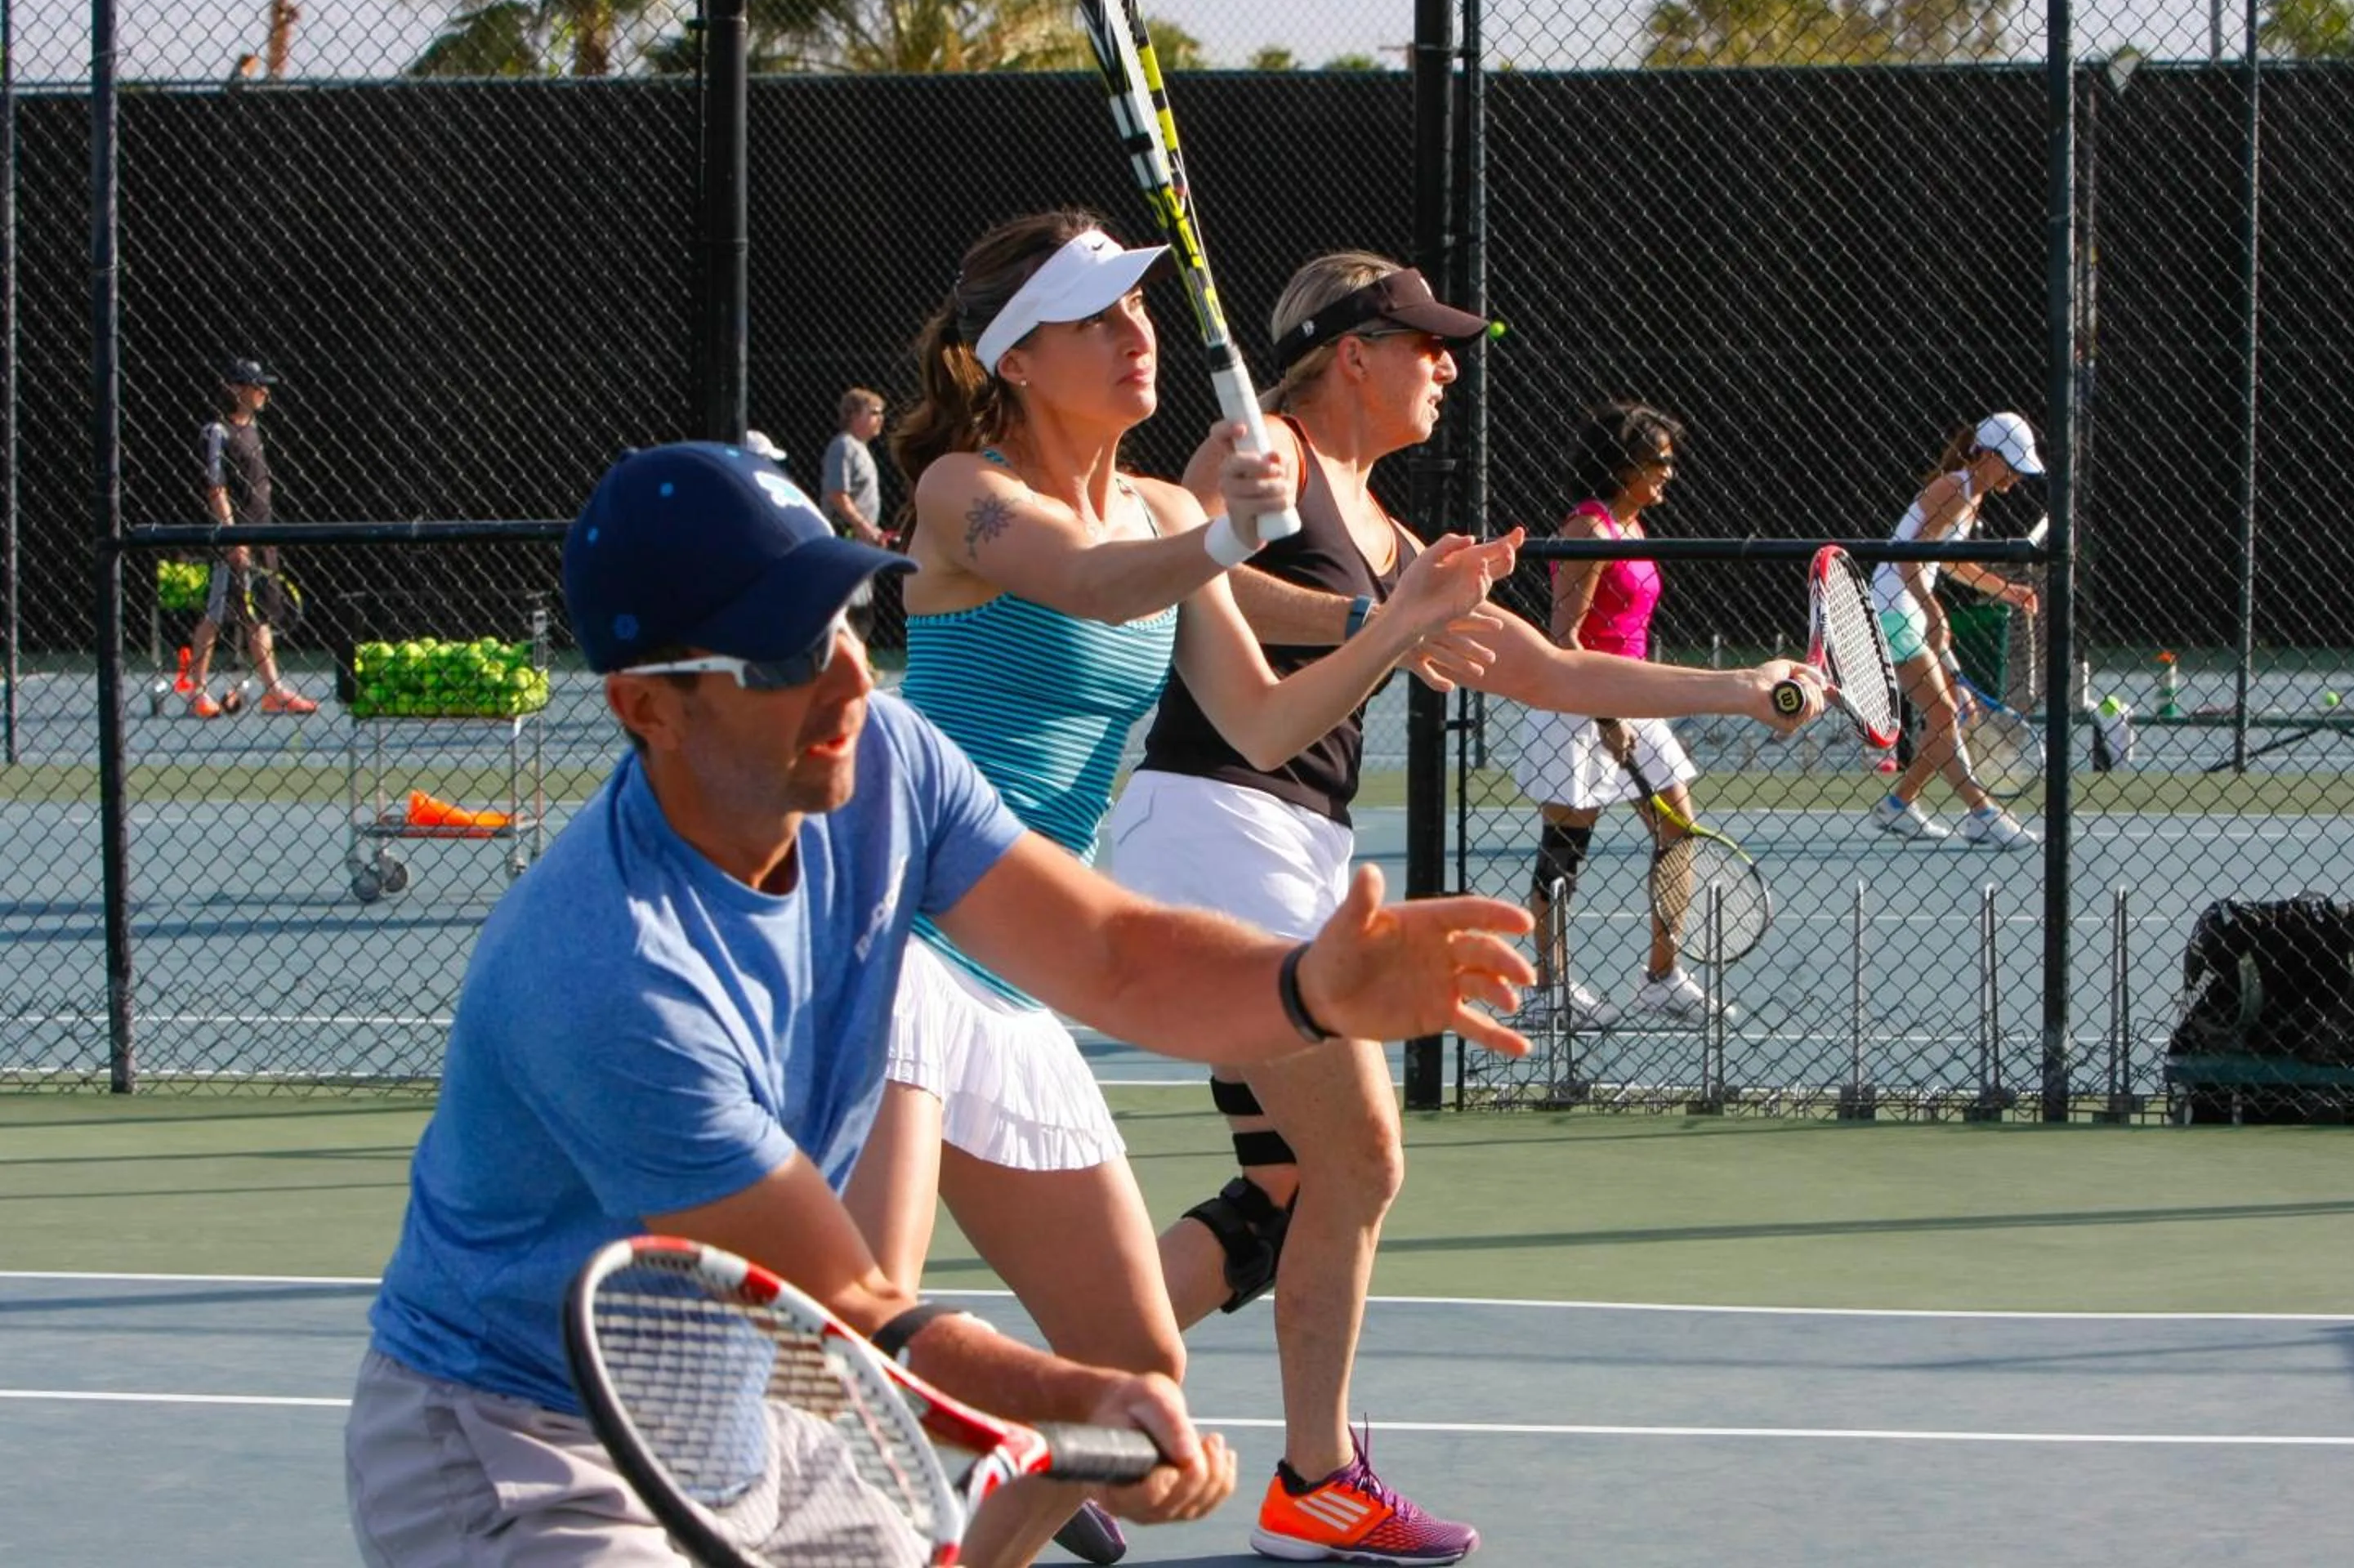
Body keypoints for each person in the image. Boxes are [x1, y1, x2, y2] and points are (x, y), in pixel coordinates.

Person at [341, 437, 1539, 1568]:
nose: (847, 678)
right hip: (526, 1438)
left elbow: (1111, 952)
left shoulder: (887, 764)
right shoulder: (609, 970)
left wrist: (1310, 986)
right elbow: (850, 1301)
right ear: (647, 708)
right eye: (779, 655)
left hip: (742, 1397)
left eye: (849, 620)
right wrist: (1083, 1402)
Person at [1106, 252, 1829, 1564]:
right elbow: (1193, 580)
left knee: (1286, 1189)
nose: (1447, 365)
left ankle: (1080, 1420)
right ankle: (1316, 1483)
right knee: (1364, 1161)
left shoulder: (1387, 533)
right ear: (1351, 355)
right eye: (1423, 342)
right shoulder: (1258, 455)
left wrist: (1738, 687)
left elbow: (1549, 672)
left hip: (1290, 846)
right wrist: (1365, 607)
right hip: (1220, 825)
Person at [839, 211, 1515, 1568]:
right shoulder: (965, 493)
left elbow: (1262, 721)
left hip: (1017, 971)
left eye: (1138, 307)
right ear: (1016, 359)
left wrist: (1393, 628)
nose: (1134, 332)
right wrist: (1225, 533)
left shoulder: (1159, 509)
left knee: (1134, 1385)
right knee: (866, 1334)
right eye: (1094, 317)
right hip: (895, 944)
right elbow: (1089, 585)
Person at [1508, 400, 1719, 1025]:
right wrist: (1605, 716)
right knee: (1565, 850)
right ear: (1622, 464)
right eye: (1658, 461)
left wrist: (1627, 707)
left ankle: (1662, 977)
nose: (1669, 472)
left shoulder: (1632, 528)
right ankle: (1549, 990)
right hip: (1575, 704)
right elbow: (1565, 637)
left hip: (1633, 697)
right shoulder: (1588, 532)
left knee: (1678, 830)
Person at [1867, 412, 2045, 849]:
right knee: (1946, 713)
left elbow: (1950, 562)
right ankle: (1983, 814)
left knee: (1949, 714)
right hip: (1894, 607)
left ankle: (1899, 805)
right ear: (1986, 455)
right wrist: (1932, 611)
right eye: (2011, 466)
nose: (2015, 478)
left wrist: (2006, 590)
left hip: (1904, 606)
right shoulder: (1954, 488)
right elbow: (1909, 558)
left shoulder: (1970, 495)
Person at [188, 358, 316, 717]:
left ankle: (273, 692)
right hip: (234, 538)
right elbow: (215, 488)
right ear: (236, 388)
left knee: (258, 615)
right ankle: (197, 692)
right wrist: (233, 538)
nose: (264, 392)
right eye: (257, 386)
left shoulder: (254, 428)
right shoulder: (217, 432)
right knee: (215, 615)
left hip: (262, 536)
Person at [822, 387, 895, 638]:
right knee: (849, 611)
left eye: (881, 413)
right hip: (845, 540)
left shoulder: (860, 448)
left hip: (860, 541)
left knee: (861, 610)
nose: (880, 418)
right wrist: (863, 527)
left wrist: (871, 532)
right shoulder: (843, 446)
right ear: (853, 415)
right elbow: (837, 495)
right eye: (873, 413)